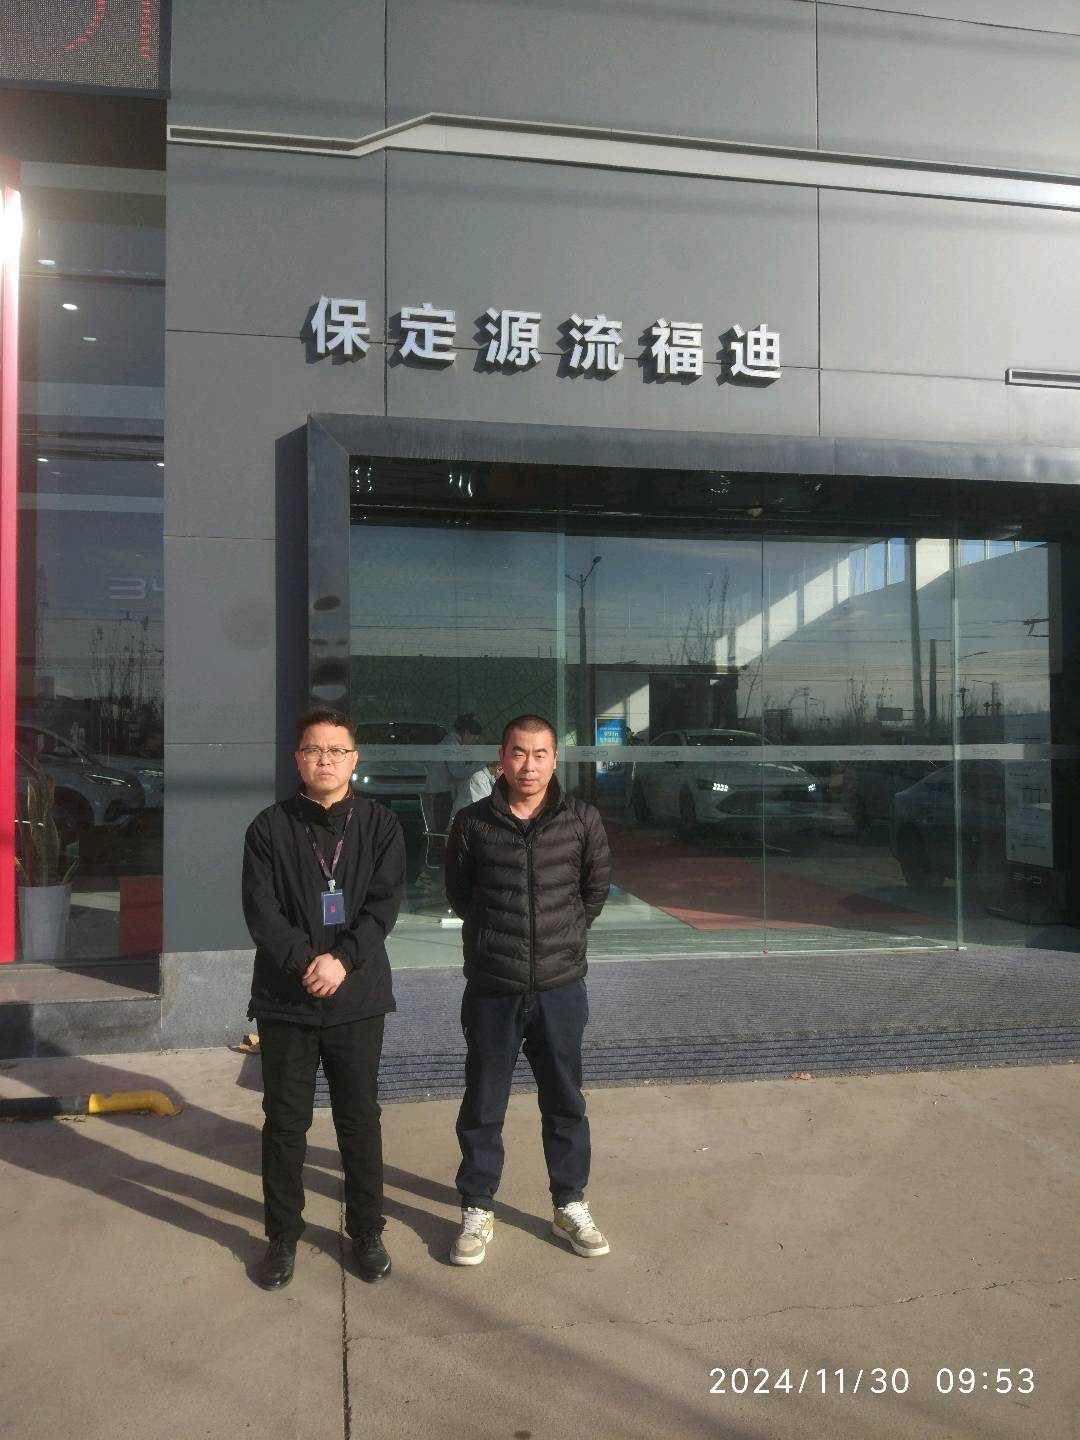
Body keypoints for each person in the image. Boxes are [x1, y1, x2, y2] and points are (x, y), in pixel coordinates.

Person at [242, 706, 406, 1291]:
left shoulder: (380, 824)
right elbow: (261, 911)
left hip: (357, 997)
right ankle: (282, 1236)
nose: (325, 760)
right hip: (286, 999)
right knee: (285, 1121)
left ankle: (367, 1231)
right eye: (314, 750)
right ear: (298, 759)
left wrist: (342, 960)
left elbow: (383, 906)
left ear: (354, 760)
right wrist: (306, 962)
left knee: (359, 1120)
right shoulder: (269, 827)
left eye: (336, 750)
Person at [444, 713, 612, 1266]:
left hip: (561, 988)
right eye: (518, 753)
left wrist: (563, 938)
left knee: (565, 1100)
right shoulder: (472, 823)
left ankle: (570, 1202)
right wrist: (497, 942)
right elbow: (460, 894)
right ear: (502, 758)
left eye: (540, 754)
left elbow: (594, 890)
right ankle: (477, 1206)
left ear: (554, 760)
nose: (529, 765)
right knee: (483, 1101)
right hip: (494, 987)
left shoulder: (582, 819)